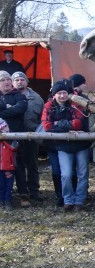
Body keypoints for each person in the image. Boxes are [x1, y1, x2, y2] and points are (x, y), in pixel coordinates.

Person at [41, 81, 90, 211]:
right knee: (66, 174)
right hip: (62, 145)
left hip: (81, 144)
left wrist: (57, 123)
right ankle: (68, 200)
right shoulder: (49, 106)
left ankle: (79, 201)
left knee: (82, 174)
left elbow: (79, 123)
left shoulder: (76, 103)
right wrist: (66, 128)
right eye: (59, 93)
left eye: (64, 93)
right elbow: (47, 126)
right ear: (54, 95)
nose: (62, 96)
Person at [11, 71, 43, 204]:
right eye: (16, 80)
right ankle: (20, 192)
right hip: (12, 137)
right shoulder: (9, 97)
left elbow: (42, 118)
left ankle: (34, 191)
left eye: (22, 79)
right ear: (12, 83)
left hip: (31, 136)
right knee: (15, 165)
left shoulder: (37, 98)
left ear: (27, 81)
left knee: (32, 165)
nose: (19, 82)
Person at [0, 71, 28, 206]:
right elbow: (13, 111)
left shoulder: (19, 96)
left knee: (18, 166)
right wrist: (7, 107)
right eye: (2, 80)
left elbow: (20, 109)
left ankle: (24, 194)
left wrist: (3, 112)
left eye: (7, 79)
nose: (6, 82)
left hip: (16, 137)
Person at [0, 118, 17, 209]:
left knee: (8, 186)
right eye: (3, 127)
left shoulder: (12, 137)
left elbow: (15, 147)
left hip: (9, 166)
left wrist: (7, 138)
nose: (5, 128)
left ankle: (8, 201)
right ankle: (1, 202)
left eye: (6, 126)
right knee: (1, 186)